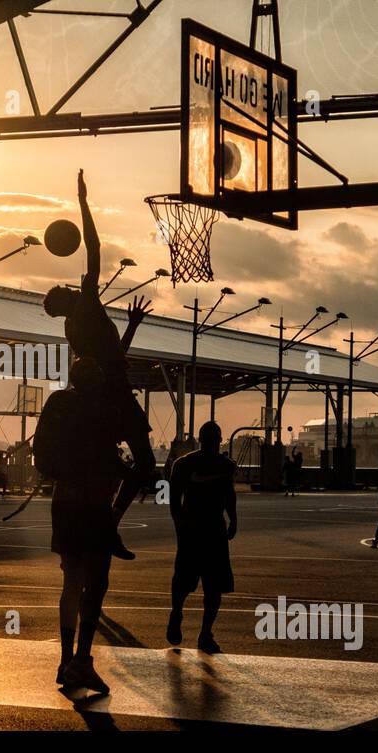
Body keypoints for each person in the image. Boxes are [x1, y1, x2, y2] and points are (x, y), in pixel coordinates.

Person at [42, 170, 155, 560]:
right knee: (142, 466)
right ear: (67, 298)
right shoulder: (86, 302)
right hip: (114, 396)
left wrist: (133, 328)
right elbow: (94, 247)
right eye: (66, 289)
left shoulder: (75, 331)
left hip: (110, 391)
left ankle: (107, 525)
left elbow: (112, 358)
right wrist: (84, 203)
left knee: (131, 467)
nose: (73, 286)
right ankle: (108, 523)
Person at [35, 356, 126, 693]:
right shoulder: (105, 411)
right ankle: (82, 660)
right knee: (97, 581)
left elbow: (40, 452)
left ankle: (65, 659)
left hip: (65, 502)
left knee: (71, 580)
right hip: (94, 504)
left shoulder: (57, 403)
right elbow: (109, 459)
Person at [167, 421, 237, 654]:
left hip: (201, 528)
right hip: (204, 528)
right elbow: (229, 496)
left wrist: (179, 525)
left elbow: (175, 501)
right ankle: (200, 630)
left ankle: (195, 625)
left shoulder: (186, 464)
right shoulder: (218, 465)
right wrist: (233, 520)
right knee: (207, 586)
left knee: (200, 584)